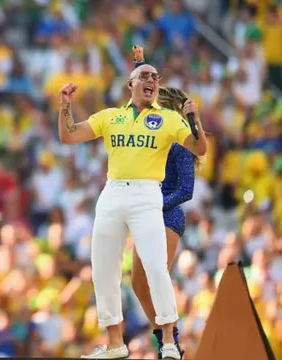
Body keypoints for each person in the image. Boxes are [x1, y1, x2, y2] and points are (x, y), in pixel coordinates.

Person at [57, 49, 208, 358]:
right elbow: (69, 136)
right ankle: (115, 342)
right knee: (104, 268)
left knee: (155, 269)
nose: (151, 81)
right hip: (113, 192)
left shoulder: (168, 121)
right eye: (145, 77)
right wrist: (65, 107)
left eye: (156, 78)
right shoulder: (112, 116)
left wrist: (195, 120)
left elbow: (199, 149)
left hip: (150, 198)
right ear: (130, 84)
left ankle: (169, 340)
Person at [130, 45, 197, 359]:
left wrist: (155, 203)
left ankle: (173, 342)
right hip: (146, 215)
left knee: (156, 278)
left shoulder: (180, 142)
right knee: (137, 284)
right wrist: (139, 64)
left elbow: (186, 190)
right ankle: (163, 336)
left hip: (167, 216)